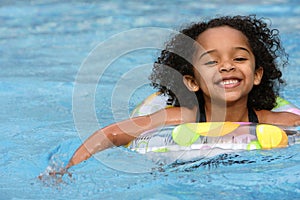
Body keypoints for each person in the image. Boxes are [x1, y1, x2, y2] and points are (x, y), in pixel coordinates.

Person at [66, 15, 300, 169]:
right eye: (210, 62)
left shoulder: (278, 121)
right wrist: (66, 170)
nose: (227, 66)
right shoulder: (177, 117)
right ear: (191, 82)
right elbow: (112, 134)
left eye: (239, 58)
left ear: (257, 75)